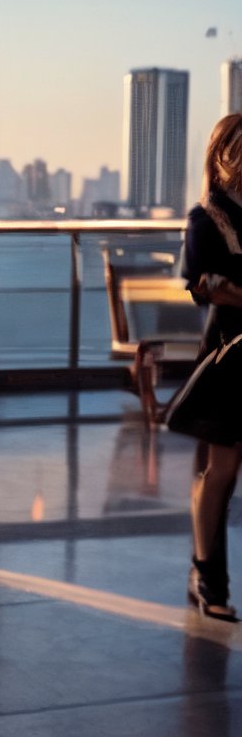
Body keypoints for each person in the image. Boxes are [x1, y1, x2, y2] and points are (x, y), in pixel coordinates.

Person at [181, 113, 242, 622]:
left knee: (222, 469)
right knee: (222, 468)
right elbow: (204, 284)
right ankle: (208, 577)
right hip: (230, 356)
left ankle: (205, 575)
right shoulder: (206, 218)